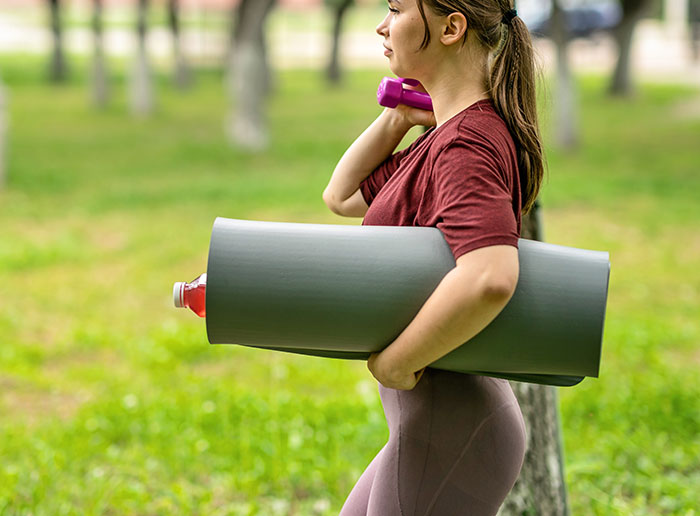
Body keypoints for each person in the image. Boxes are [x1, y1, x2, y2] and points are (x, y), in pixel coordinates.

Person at [323, 0, 544, 514]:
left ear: (451, 28)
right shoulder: (445, 138)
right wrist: (398, 117)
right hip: (437, 428)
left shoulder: (465, 145)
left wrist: (396, 364)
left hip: (454, 430)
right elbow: (342, 196)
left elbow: (490, 275)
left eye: (397, 8)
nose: (382, 24)